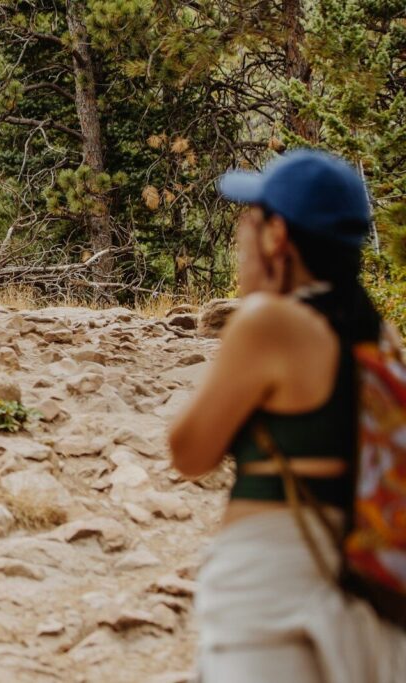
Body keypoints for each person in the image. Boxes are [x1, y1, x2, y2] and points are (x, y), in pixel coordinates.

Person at [168, 149, 406, 682]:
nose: (241, 238)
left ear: (279, 237)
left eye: (250, 222)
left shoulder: (269, 323)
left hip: (271, 580)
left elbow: (188, 453)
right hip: (363, 585)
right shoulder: (378, 338)